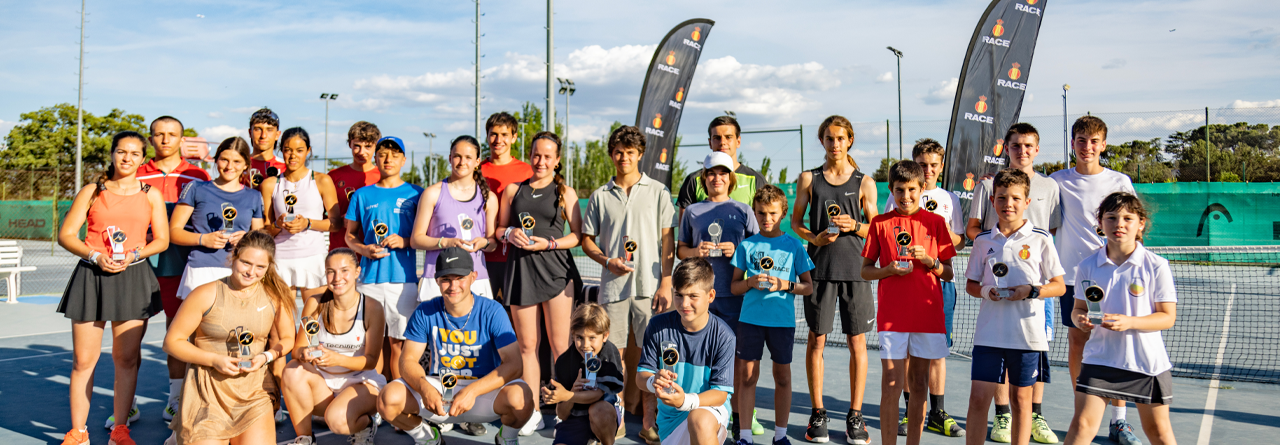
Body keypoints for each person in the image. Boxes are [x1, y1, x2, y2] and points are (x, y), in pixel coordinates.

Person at [56, 131, 169, 445]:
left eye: (134, 153)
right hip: (92, 277)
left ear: (142, 159)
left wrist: (133, 254)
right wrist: (96, 255)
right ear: (112, 154)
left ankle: (120, 430)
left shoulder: (150, 194)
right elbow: (67, 234)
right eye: (122, 152)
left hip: (133, 278)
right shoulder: (92, 191)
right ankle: (78, 432)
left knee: (126, 358)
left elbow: (162, 239)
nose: (127, 158)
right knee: (83, 361)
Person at [376, 247, 535, 445]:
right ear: (437, 281)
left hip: (482, 392)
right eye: (446, 279)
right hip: (440, 390)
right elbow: (407, 360)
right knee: (387, 398)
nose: (453, 285)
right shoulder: (425, 311)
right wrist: (425, 388)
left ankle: (507, 438)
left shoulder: (492, 310)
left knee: (523, 397)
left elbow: (514, 364)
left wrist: (472, 391)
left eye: (460, 277)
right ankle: (427, 438)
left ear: (473, 277)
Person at [965, 123, 1062, 444]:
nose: (1008, 203)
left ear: (1027, 201)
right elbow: (971, 285)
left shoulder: (1041, 239)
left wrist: (1031, 291)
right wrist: (985, 291)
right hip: (989, 334)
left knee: (1023, 402)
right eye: (1002, 198)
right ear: (993, 201)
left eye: (1015, 198)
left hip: (1028, 335)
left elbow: (1058, 286)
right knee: (979, 399)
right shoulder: (983, 242)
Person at [580, 125, 676, 444]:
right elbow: (587, 242)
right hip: (613, 288)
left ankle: (650, 420)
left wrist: (665, 282)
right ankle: (617, 415)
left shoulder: (659, 192)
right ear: (611, 154)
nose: (624, 158)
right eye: (619, 152)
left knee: (651, 355)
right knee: (614, 354)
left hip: (650, 288)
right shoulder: (599, 196)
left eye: (630, 153)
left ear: (640, 155)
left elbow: (667, 241)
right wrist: (608, 262)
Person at [789, 115, 878, 444]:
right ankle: (818, 413)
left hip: (855, 271)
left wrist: (854, 226)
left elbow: (876, 228)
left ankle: (855, 416)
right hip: (820, 272)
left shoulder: (864, 182)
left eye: (841, 138)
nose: (835, 144)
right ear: (822, 141)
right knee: (817, 341)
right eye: (829, 138)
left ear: (849, 140)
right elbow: (796, 223)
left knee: (858, 344)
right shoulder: (808, 179)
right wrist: (815, 238)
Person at [1050, 116, 1139, 445]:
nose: (1087, 147)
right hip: (1074, 278)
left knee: (1114, 346)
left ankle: (1119, 421)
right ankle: (1082, 411)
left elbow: (1132, 223)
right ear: (1072, 143)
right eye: (1080, 140)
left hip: (1114, 277)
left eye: (1093, 141)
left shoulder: (1119, 180)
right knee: (1078, 343)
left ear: (1103, 145)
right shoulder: (1057, 180)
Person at [163, 231, 296, 445]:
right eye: (246, 263)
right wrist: (215, 360)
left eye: (260, 267)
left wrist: (266, 357)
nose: (251, 272)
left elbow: (288, 338)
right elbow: (172, 342)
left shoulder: (274, 296)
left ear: (269, 266)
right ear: (234, 255)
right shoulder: (205, 293)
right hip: (208, 393)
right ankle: (181, 435)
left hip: (254, 392)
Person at [1064, 193, 1177, 445]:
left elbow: (1167, 317)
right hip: (1100, 360)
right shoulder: (1087, 266)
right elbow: (1078, 309)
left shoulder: (1156, 265)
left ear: (1141, 223)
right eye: (1111, 217)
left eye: (1128, 218)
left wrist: (1129, 322)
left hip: (1146, 364)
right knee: (1081, 426)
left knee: (1158, 432)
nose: (1119, 224)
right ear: (1100, 223)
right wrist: (1080, 319)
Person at [861, 160, 956, 445]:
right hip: (893, 318)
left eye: (912, 189)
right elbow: (865, 270)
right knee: (891, 385)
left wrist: (931, 262)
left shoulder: (937, 223)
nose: (906, 196)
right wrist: (887, 270)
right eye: (899, 190)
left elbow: (949, 272)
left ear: (922, 188)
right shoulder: (880, 224)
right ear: (891, 190)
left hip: (927, 318)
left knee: (919, 385)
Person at [495, 131, 583, 435]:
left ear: (557, 161)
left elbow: (577, 237)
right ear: (529, 155)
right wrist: (509, 235)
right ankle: (531, 412)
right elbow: (499, 229)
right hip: (520, 272)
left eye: (548, 156)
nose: (541, 161)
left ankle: (564, 409)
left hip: (557, 273)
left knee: (561, 347)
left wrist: (547, 244)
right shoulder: (512, 190)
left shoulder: (565, 192)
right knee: (527, 347)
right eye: (536, 154)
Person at [884, 138, 966, 439]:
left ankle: (938, 412)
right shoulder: (898, 197)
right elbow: (891, 236)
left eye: (933, 165)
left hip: (939, 282)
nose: (927, 170)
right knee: (906, 352)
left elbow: (957, 238)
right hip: (905, 282)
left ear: (941, 167)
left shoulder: (949, 199)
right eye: (922, 164)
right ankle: (909, 410)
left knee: (938, 351)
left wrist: (931, 244)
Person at [677, 151, 759, 442]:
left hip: (735, 297)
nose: (717, 178)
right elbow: (681, 250)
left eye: (723, 173)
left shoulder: (744, 210)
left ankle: (737, 423)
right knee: (702, 361)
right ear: (704, 178)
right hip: (701, 300)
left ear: (730, 178)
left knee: (736, 363)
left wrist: (737, 252)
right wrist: (695, 252)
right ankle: (700, 418)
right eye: (711, 173)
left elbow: (757, 252)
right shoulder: (693, 212)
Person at [138, 115, 211, 423]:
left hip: (181, 265)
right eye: (159, 134)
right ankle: (125, 402)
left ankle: (175, 399)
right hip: (139, 263)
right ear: (151, 139)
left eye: (171, 134)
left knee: (177, 333)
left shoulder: (197, 175)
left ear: (183, 140)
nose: (165, 139)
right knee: (129, 336)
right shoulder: (137, 173)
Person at [729, 185, 815, 445]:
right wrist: (750, 282)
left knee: (783, 378)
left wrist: (784, 285)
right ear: (754, 212)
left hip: (782, 323)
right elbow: (734, 287)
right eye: (761, 213)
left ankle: (780, 436)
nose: (767, 219)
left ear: (784, 213)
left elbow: (808, 287)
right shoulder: (746, 246)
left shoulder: (795, 247)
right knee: (747, 378)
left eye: (773, 214)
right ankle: (744, 437)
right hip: (750, 321)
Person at [281, 248, 387, 445]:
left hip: (361, 382)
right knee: (292, 370)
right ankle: (304, 438)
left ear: (357, 272)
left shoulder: (372, 307)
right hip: (325, 382)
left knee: (337, 421)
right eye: (331, 271)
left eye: (344, 270)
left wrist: (337, 358)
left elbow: (371, 361)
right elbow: (296, 350)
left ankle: (365, 423)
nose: (337, 277)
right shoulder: (315, 302)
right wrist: (305, 353)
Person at [345, 136, 424, 381]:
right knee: (371, 346)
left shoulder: (417, 194)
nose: (388, 159)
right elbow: (349, 236)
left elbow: (427, 235)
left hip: (404, 281)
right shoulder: (362, 195)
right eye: (382, 154)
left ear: (404, 160)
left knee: (400, 345)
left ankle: (401, 400)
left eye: (394, 154)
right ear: (375, 158)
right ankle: (372, 403)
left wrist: (405, 240)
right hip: (369, 280)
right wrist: (364, 250)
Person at [637, 258, 736, 445]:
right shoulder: (657, 326)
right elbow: (641, 376)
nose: (684, 303)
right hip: (669, 422)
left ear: (711, 295)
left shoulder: (724, 336)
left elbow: (720, 393)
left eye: (693, 296)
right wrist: (653, 381)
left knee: (699, 420)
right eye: (679, 295)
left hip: (708, 408)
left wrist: (684, 401)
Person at [170, 137, 265, 301]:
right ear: (216, 160)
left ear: (245, 165)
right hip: (201, 269)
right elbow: (173, 232)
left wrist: (247, 239)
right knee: (197, 325)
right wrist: (203, 239)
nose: (229, 166)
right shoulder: (196, 188)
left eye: (236, 161)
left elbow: (260, 238)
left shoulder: (254, 196)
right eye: (224, 160)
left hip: (240, 271)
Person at [412, 135, 499, 301]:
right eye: (457, 156)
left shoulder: (489, 198)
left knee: (475, 327)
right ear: (450, 158)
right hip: (437, 278)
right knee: (436, 327)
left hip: (474, 278)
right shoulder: (432, 193)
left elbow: (492, 243)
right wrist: (445, 242)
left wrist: (484, 242)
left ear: (477, 161)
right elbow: (416, 240)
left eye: (468, 157)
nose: (462, 162)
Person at [262, 127, 339, 301]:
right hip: (280, 258)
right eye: (287, 150)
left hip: (313, 256)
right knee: (282, 321)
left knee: (312, 320)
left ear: (308, 151)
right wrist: (277, 225)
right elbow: (265, 230)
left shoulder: (321, 180)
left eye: (299, 150)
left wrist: (308, 223)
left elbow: (335, 223)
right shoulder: (270, 184)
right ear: (281, 151)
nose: (293, 155)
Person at [544, 303, 626, 445]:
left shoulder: (608, 353)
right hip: (575, 419)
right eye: (580, 337)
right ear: (573, 335)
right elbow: (562, 414)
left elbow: (597, 395)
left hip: (602, 413)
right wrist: (570, 394)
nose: (585, 345)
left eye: (592, 338)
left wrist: (567, 395)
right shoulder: (564, 362)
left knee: (599, 410)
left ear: (605, 336)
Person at [480, 112, 533, 303]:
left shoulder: (527, 172)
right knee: (484, 313)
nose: (498, 140)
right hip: (483, 256)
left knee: (516, 314)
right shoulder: (476, 171)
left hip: (518, 256)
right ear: (487, 136)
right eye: (493, 134)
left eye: (504, 135)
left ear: (514, 137)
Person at [676, 116, 768, 216]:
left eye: (728, 137)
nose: (722, 142)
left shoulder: (755, 179)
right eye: (717, 138)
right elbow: (684, 229)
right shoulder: (694, 180)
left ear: (738, 141)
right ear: (710, 143)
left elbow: (766, 222)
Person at [330, 121, 383, 252]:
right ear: (350, 144)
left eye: (368, 147)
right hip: (341, 250)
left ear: (376, 147)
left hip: (373, 250)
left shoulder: (383, 177)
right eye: (357, 146)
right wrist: (339, 220)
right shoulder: (334, 176)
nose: (361, 152)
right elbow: (320, 215)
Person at [245, 107, 287, 190]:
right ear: (250, 133)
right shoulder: (238, 166)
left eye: (269, 130)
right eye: (258, 129)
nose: (263, 135)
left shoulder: (285, 168)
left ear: (277, 135)